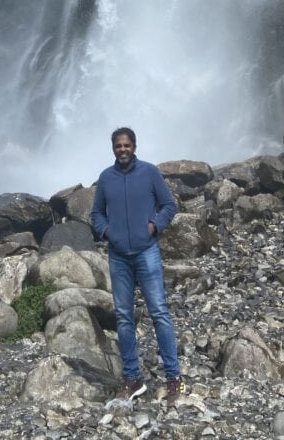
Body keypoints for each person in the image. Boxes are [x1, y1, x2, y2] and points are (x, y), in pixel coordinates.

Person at [90, 126, 185, 406]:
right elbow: (96, 213)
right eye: (118, 146)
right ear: (113, 149)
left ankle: (174, 378)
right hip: (118, 255)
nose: (123, 149)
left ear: (134, 146)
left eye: (126, 145)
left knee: (159, 313)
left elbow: (169, 205)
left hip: (146, 251)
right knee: (123, 317)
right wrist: (107, 232)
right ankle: (132, 379)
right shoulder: (106, 178)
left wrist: (154, 226)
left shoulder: (150, 172)